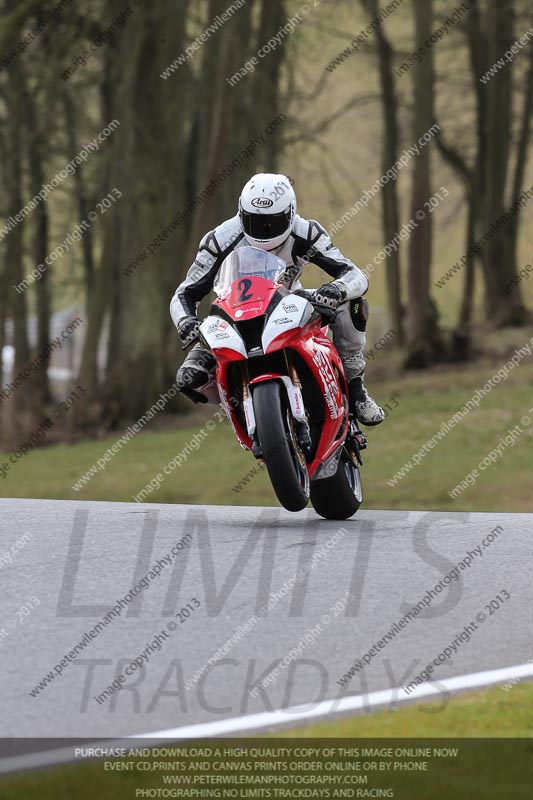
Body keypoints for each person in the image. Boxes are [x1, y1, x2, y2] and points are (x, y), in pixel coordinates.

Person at [170, 173, 384, 426]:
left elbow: (353, 273)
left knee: (352, 305)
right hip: (233, 315)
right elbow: (185, 293)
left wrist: (336, 289)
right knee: (189, 379)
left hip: (289, 305)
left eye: (272, 222)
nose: (263, 231)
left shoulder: (306, 232)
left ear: (290, 214)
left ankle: (356, 388)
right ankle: (240, 405)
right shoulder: (219, 239)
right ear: (241, 213)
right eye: (254, 221)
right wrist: (186, 322)